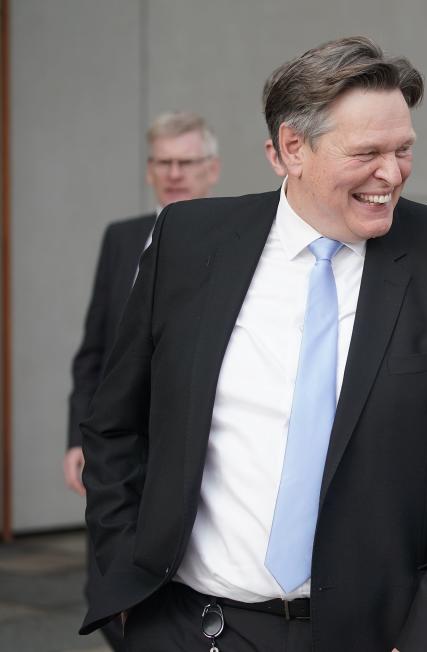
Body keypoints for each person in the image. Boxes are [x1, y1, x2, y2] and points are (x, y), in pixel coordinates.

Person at [79, 36, 427, 652]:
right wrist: (127, 592)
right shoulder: (189, 242)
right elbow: (115, 426)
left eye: (404, 150)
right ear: (291, 148)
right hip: (192, 626)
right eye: (368, 152)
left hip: (386, 635)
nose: (392, 173)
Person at [64, 110, 220, 650]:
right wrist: (76, 439)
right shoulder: (122, 237)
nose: (174, 172)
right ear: (150, 170)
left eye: (187, 161)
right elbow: (94, 352)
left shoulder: (234, 242)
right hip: (120, 444)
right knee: (108, 585)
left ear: (212, 169)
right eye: (163, 162)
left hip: (190, 441)